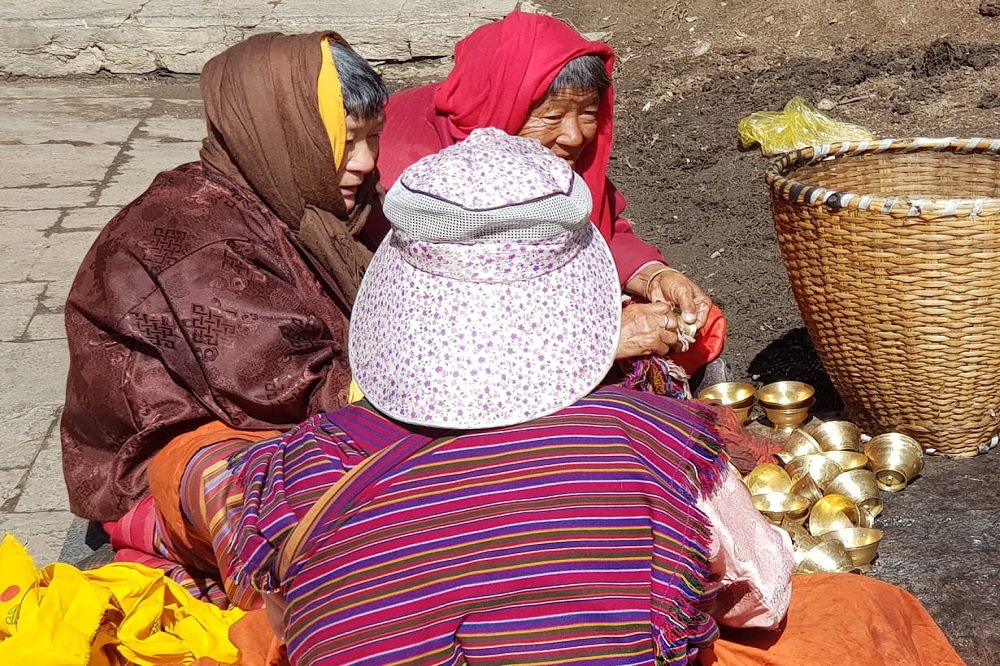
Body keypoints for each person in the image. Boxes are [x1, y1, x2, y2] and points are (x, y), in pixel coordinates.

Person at [151, 130, 959, 666]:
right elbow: (760, 592)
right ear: (573, 308)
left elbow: (292, 606)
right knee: (859, 615)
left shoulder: (303, 463)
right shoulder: (653, 440)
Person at [61, 31, 391, 523]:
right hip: (178, 454)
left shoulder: (314, 199)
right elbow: (288, 391)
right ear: (281, 134)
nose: (364, 162)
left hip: (307, 411)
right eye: (344, 142)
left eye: (372, 136)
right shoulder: (195, 240)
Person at [377, 10, 728, 386]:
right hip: (468, 357)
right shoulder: (425, 179)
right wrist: (602, 336)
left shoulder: (551, 156)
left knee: (693, 326)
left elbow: (597, 226)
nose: (574, 136)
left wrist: (652, 275)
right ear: (501, 109)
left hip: (544, 325)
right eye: (553, 116)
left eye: (588, 113)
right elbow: (466, 325)